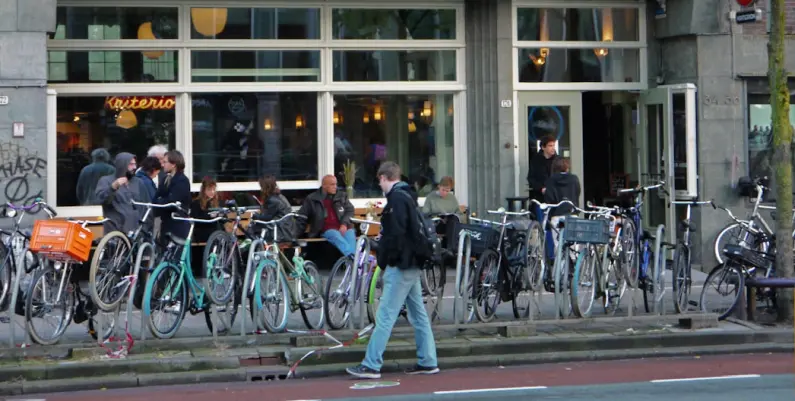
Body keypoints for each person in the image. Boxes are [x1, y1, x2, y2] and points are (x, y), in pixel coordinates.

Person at [346, 161, 438, 379]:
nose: (380, 186)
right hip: (413, 261)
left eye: (380, 181)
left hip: (402, 264)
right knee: (418, 314)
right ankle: (428, 360)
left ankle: (371, 364)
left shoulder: (396, 199)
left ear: (383, 178)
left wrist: (383, 252)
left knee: (385, 315)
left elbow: (396, 235)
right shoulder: (409, 196)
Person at [296, 174, 356, 256]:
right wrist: (294, 235)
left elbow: (350, 210)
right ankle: (353, 259)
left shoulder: (342, 196)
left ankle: (352, 263)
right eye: (332, 184)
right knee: (335, 235)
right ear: (324, 185)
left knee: (350, 235)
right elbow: (302, 217)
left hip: (345, 227)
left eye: (336, 184)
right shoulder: (312, 199)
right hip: (326, 229)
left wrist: (344, 224)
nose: (335, 187)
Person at [94, 152, 148, 235]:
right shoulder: (106, 181)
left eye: (135, 164)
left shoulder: (138, 182)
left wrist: (146, 228)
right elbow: (100, 200)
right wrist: (112, 188)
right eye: (131, 164)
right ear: (122, 165)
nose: (134, 167)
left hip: (136, 231)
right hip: (115, 230)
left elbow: (146, 206)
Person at [544, 157, 581, 248]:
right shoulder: (574, 179)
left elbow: (549, 198)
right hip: (571, 213)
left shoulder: (551, 180)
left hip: (556, 214)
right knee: (574, 245)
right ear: (567, 167)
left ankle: (561, 261)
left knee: (558, 246)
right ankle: (573, 260)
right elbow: (577, 193)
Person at [155, 150, 192, 240]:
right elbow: (156, 198)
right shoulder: (165, 179)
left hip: (177, 224)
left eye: (165, 162)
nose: (162, 165)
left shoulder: (182, 180)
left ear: (173, 164)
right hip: (165, 223)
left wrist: (161, 201)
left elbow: (173, 201)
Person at [190, 176, 221, 278]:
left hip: (213, 231)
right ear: (203, 190)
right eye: (209, 189)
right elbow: (196, 218)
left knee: (221, 236)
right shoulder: (196, 203)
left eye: (213, 189)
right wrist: (209, 216)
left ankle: (217, 267)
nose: (212, 192)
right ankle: (205, 269)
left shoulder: (215, 202)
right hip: (201, 232)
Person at [253, 175, 295, 240]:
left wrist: (256, 216)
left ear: (266, 187)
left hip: (279, 233)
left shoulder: (272, 200)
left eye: (261, 186)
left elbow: (267, 217)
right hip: (286, 231)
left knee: (252, 229)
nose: (260, 189)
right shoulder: (280, 196)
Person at [527, 135, 559, 219]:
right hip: (540, 198)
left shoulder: (558, 160)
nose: (553, 148)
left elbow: (561, 177)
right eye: (550, 146)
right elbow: (531, 178)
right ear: (543, 147)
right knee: (540, 222)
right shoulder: (536, 160)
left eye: (554, 145)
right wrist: (541, 188)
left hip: (555, 198)